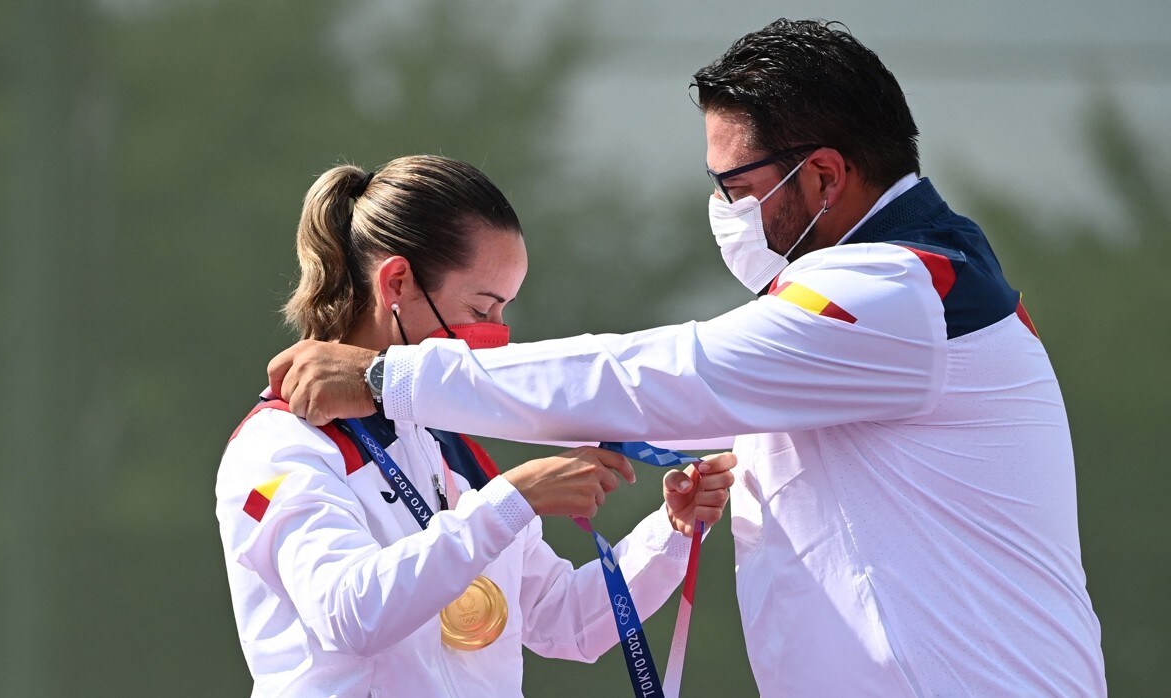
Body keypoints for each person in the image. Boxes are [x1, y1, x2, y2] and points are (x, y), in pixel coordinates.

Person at [265, 20, 1108, 696]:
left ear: (821, 176)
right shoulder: (903, 287)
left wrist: (390, 378)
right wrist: (667, 528)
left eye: (735, 186)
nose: (723, 210)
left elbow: (654, 375)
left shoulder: (895, 293)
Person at [216, 154, 736, 697]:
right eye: (483, 308)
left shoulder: (446, 444)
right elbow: (353, 614)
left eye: (506, 309)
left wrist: (671, 534)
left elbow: (565, 624)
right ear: (396, 284)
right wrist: (516, 497)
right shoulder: (280, 444)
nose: (497, 335)